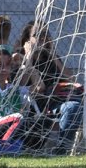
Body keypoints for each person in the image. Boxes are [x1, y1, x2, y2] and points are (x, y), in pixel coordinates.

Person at [15, 22, 81, 153]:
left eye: (45, 34)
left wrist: (53, 56)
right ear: (27, 39)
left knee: (78, 107)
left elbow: (72, 80)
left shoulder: (50, 58)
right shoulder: (19, 57)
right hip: (33, 106)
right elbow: (20, 84)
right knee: (72, 108)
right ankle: (61, 150)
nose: (42, 38)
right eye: (37, 35)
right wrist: (28, 57)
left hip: (55, 103)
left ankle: (63, 149)